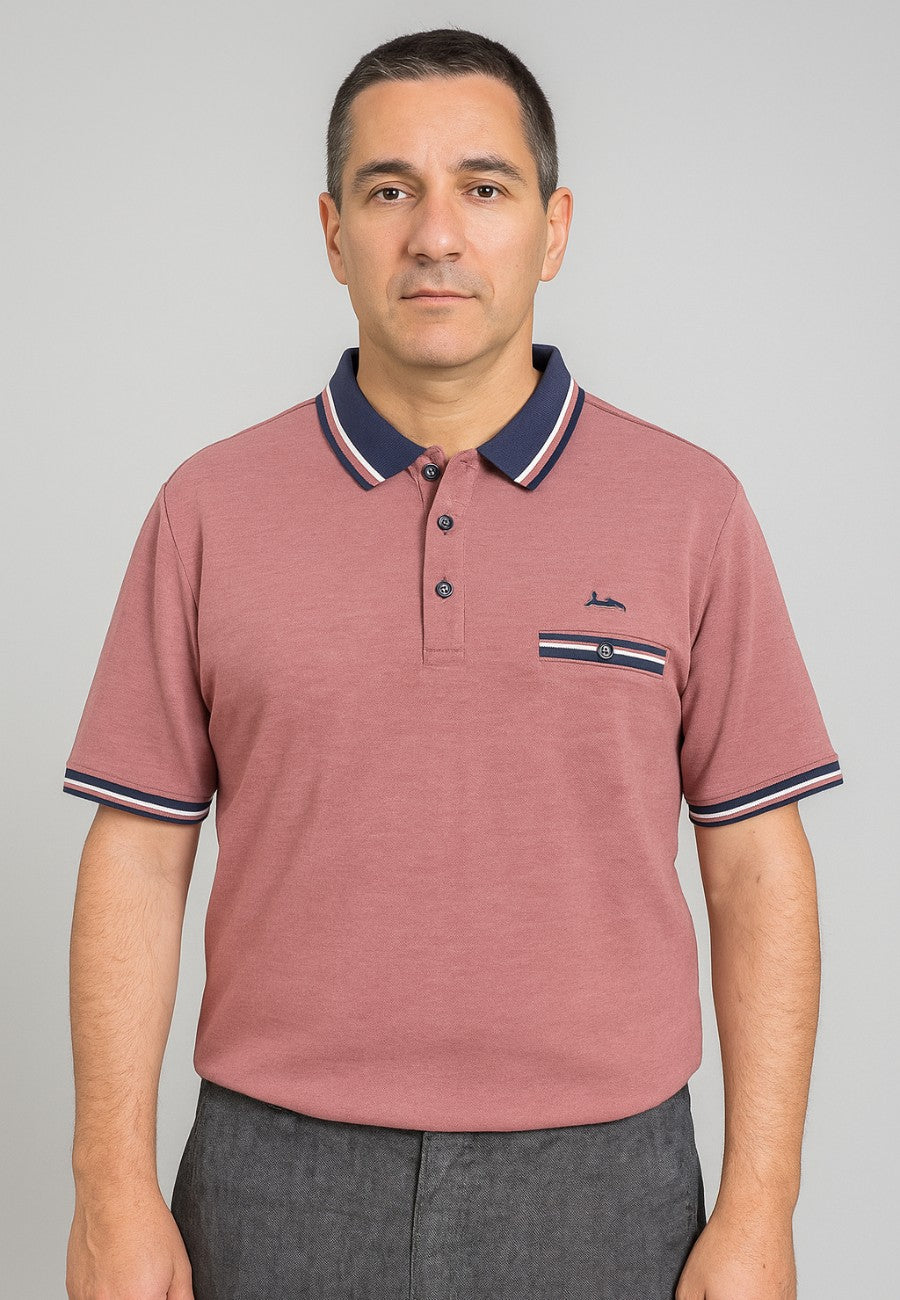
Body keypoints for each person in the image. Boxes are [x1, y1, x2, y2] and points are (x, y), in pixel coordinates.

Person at [63, 26, 844, 1300]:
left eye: (484, 187)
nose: (436, 234)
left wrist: (763, 1202)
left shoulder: (690, 509)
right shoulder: (208, 510)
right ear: (333, 233)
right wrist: (108, 1187)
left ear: (554, 226)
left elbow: (757, 864)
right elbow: (139, 853)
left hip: (604, 1183)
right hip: (271, 1177)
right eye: (390, 190)